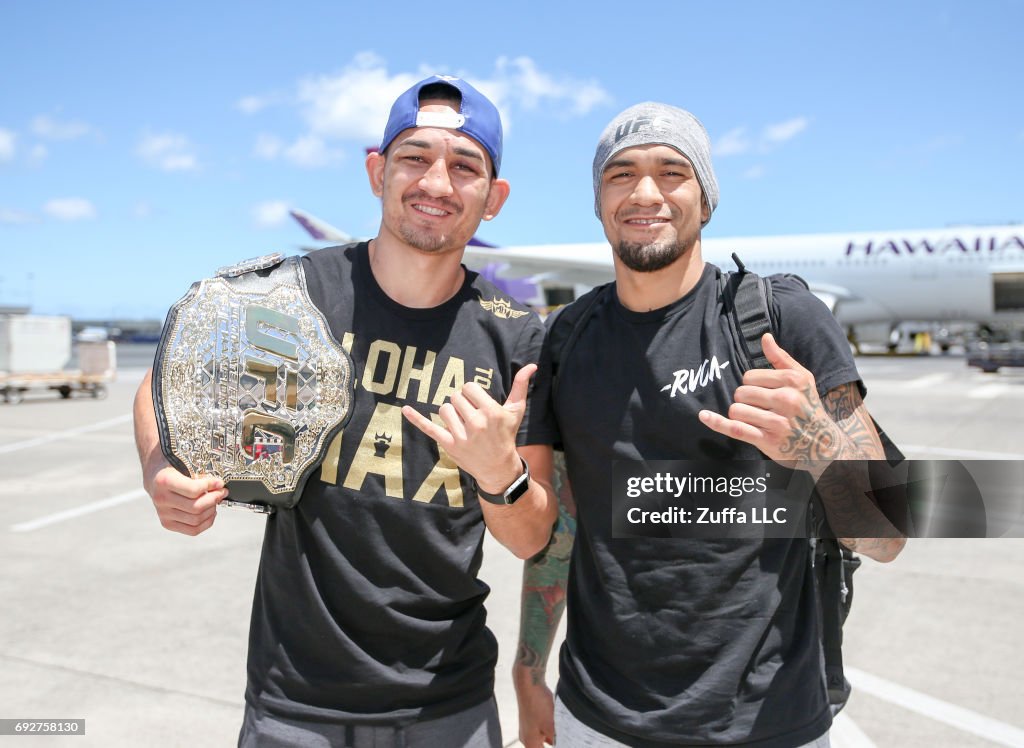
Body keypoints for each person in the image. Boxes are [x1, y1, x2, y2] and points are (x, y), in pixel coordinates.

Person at [133, 75, 558, 748]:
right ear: (376, 171)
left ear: (494, 197)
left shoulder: (515, 338)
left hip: (449, 706)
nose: (437, 183)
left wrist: (498, 473)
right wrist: (161, 468)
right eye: (414, 157)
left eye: (464, 166)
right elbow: (167, 371)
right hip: (294, 699)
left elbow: (533, 536)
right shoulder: (293, 296)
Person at [514, 102, 905, 748]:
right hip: (598, 721)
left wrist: (819, 450)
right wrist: (530, 667)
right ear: (597, 199)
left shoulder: (784, 320)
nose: (646, 192)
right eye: (621, 174)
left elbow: (890, 534)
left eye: (673, 171)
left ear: (706, 198)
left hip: (771, 725)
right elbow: (563, 527)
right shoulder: (566, 340)